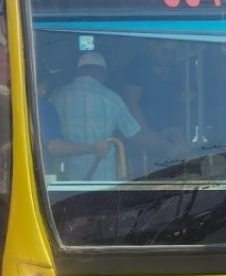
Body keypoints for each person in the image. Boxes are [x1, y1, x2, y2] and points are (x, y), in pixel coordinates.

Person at [49, 51, 171, 180]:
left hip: (65, 183)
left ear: (78, 72)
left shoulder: (56, 96)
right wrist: (164, 147)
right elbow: (135, 134)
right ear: (103, 74)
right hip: (103, 182)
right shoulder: (111, 98)